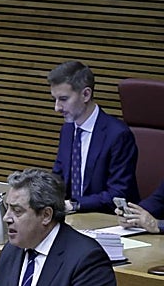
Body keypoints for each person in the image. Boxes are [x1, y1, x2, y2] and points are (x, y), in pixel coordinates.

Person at [48, 60, 139, 214]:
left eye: (63, 99)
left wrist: (75, 205)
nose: (57, 108)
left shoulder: (118, 135)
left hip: (109, 221)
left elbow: (118, 194)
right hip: (73, 219)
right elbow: (58, 177)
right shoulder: (68, 129)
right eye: (54, 100)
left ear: (86, 94)